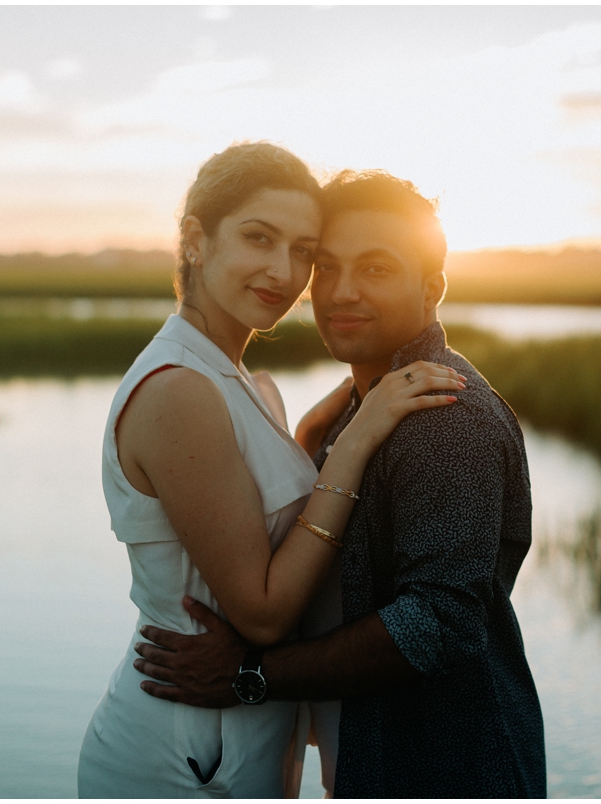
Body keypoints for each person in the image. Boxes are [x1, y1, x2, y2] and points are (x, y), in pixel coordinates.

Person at [133, 170, 547, 797]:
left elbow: (437, 622)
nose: (341, 292)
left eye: (376, 269)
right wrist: (309, 448)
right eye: (325, 267)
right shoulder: (366, 406)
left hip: (449, 766)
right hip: (375, 761)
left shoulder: (444, 418)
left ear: (432, 287)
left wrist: (253, 675)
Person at [76, 145, 466, 798]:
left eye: (303, 250)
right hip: (186, 749)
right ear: (196, 241)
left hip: (242, 734)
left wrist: (363, 389)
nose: (283, 272)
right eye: (259, 238)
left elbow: (280, 465)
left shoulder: (240, 382)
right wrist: (362, 436)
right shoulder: (179, 390)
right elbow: (259, 614)